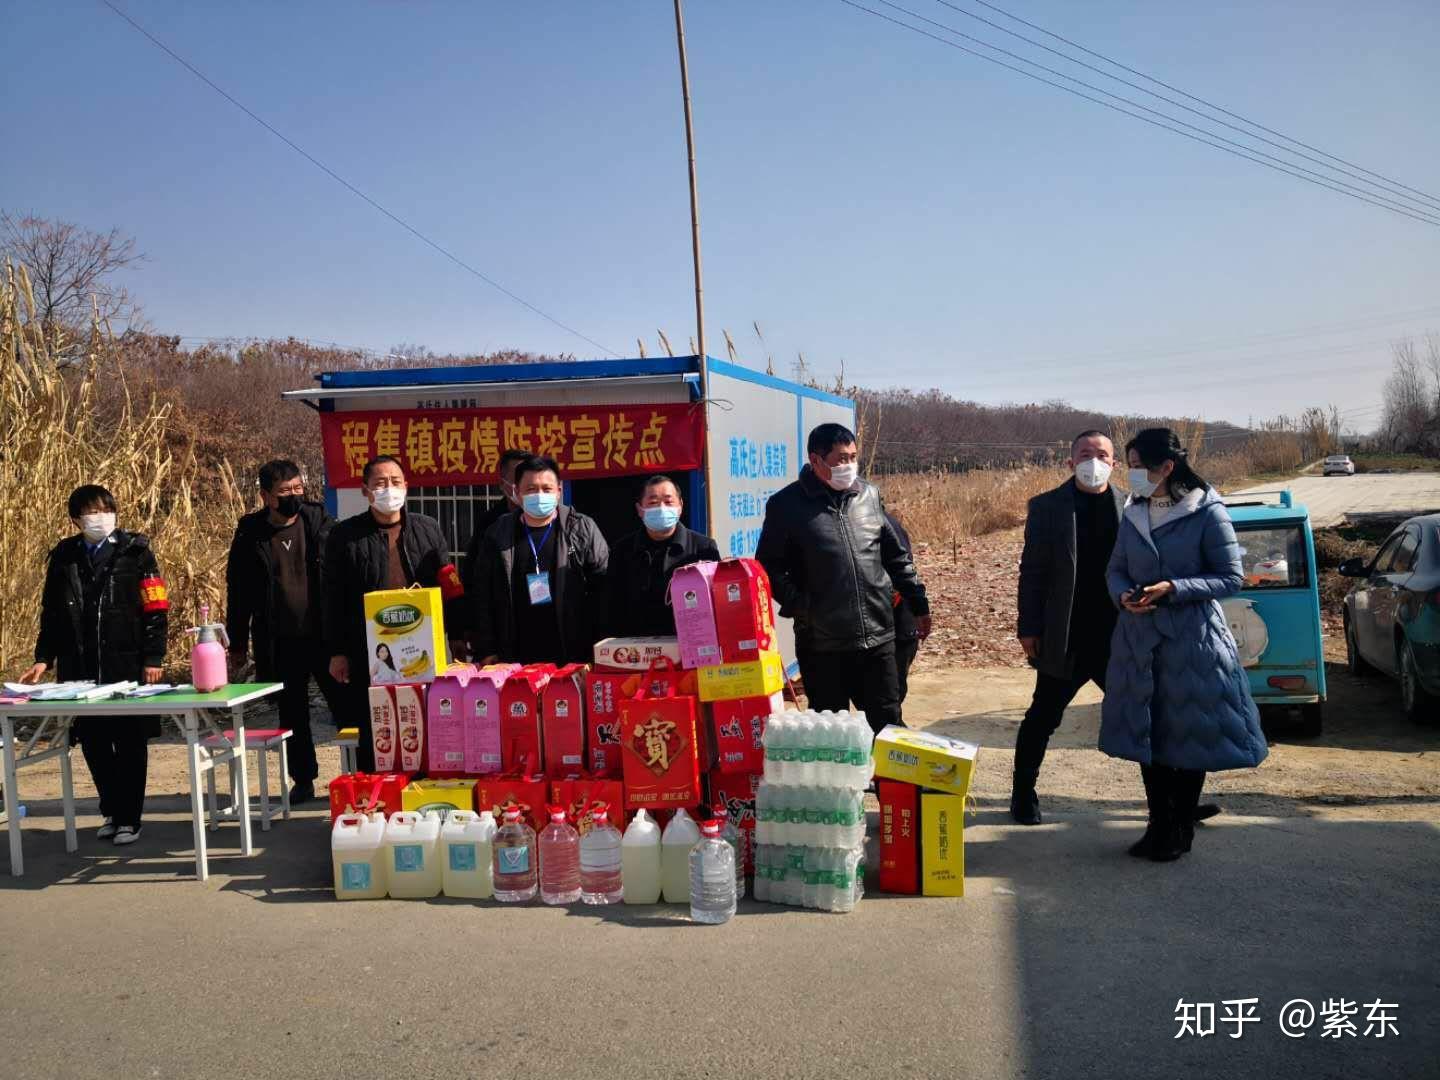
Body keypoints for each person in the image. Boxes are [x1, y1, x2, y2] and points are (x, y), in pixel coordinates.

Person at [1102, 428, 1267, 862]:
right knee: (1149, 735)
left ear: (1167, 467)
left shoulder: (1205, 511)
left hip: (1192, 642)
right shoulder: (1135, 510)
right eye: (1130, 465)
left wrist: (1174, 587)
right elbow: (1115, 568)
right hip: (1140, 640)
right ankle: (1157, 823)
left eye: (1139, 467)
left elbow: (1230, 576)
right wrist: (1122, 595)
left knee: (1188, 736)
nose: (1131, 474)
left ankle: (1178, 828)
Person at [756, 423, 931, 733]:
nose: (849, 465)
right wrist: (804, 607)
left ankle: (890, 782)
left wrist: (918, 602)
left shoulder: (869, 495)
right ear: (816, 460)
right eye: (840, 459)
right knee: (831, 729)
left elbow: (895, 556)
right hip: (822, 644)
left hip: (877, 635)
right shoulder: (787, 506)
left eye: (853, 457)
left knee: (887, 721)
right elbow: (768, 567)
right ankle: (842, 783)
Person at [21, 485, 168, 845]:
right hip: (80, 666)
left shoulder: (136, 551)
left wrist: (153, 657)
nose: (100, 517)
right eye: (91, 512)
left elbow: (156, 607)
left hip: (127, 663)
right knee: (93, 741)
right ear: (76, 519)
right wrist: (44, 658)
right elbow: (52, 613)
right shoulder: (65, 556)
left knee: (130, 741)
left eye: (105, 510)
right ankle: (112, 811)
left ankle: (130, 819)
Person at [1010, 431, 1126, 825]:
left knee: (1148, 716)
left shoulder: (1133, 505)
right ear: (1070, 462)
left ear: (1114, 463)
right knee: (1042, 717)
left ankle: (1171, 801)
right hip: (1067, 635)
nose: (1093, 461)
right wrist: (1028, 627)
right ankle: (1022, 795)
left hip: (1118, 637)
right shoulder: (1047, 508)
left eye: (1102, 455)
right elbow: (1033, 573)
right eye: (1085, 454)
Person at [322, 455, 463, 772]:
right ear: (365, 491)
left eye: (396, 482)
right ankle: (377, 797)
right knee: (378, 725)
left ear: (407, 486)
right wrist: (337, 652)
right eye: (380, 483)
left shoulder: (427, 529)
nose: (390, 489)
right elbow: (332, 598)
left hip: (423, 649)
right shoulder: (344, 536)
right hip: (370, 650)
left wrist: (458, 635)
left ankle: (424, 790)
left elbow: (449, 582)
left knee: (424, 721)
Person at [224, 459, 343, 803]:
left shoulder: (320, 523)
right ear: (265, 496)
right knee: (293, 713)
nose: (293, 496)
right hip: (279, 640)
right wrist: (236, 643)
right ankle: (303, 779)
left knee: (344, 706)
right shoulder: (250, 534)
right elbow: (239, 591)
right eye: (284, 492)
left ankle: (355, 774)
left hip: (324, 637)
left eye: (297, 489)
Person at [468, 454, 609, 665]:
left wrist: (599, 649)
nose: (539, 495)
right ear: (516, 492)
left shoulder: (582, 528)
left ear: (559, 491)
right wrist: (486, 649)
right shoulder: (497, 533)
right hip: (514, 656)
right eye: (531, 489)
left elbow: (604, 590)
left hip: (572, 654)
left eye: (547, 489)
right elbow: (482, 595)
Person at [607, 475, 720, 637]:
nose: (661, 508)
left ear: (680, 506)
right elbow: (612, 606)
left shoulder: (703, 548)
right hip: (636, 650)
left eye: (668, 502)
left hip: (688, 646)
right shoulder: (622, 550)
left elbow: (715, 603)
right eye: (653, 503)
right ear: (640, 509)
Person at [462, 447, 530, 574]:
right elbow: (472, 573)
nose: (525, 484)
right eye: (518, 478)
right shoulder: (489, 524)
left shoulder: (548, 518)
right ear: (502, 484)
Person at [885, 509, 922, 707]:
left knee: (890, 698)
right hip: (881, 630)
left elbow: (903, 571)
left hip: (897, 629)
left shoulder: (884, 524)